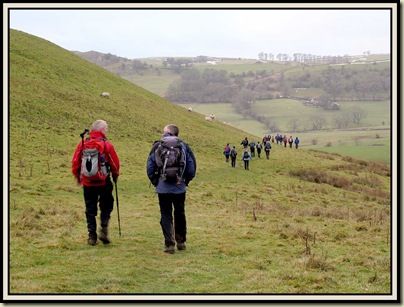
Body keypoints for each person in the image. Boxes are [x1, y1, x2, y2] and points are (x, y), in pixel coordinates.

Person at [147, 124, 196, 254]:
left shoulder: (158, 145)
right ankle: (181, 241)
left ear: (166, 132)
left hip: (162, 188)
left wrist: (155, 181)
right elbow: (191, 167)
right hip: (179, 187)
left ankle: (169, 244)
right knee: (179, 212)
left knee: (166, 213)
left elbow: (150, 167)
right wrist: (186, 181)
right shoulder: (183, 145)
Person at [71, 119, 120, 246]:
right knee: (107, 205)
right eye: (107, 129)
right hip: (103, 182)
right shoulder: (106, 145)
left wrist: (78, 177)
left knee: (90, 208)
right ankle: (104, 226)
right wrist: (115, 175)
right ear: (102, 130)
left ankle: (92, 236)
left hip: (87, 183)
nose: (107, 131)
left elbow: (76, 161)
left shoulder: (83, 143)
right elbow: (115, 163)